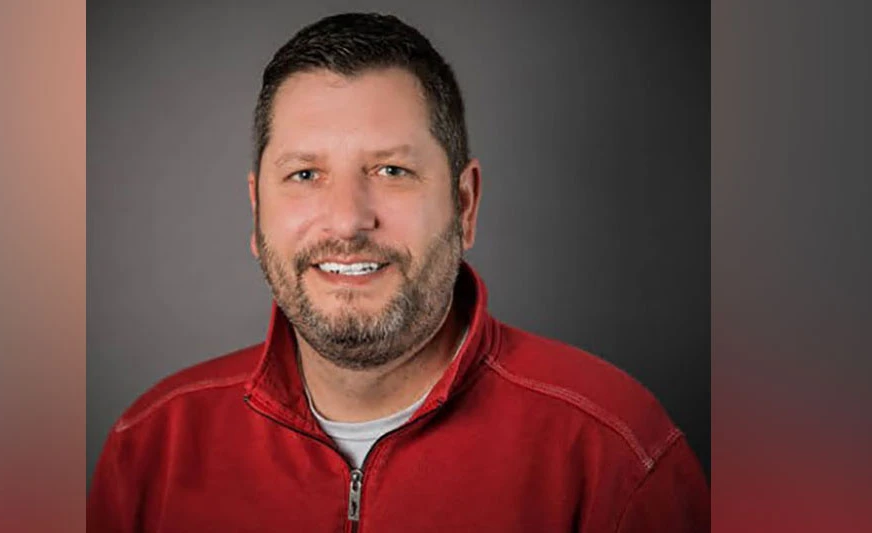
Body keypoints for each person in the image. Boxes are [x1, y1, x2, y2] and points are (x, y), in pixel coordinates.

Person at [87, 12, 710, 532]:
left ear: (465, 204)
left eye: (391, 171)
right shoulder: (152, 449)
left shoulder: (618, 453)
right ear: (257, 212)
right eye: (305, 174)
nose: (347, 220)